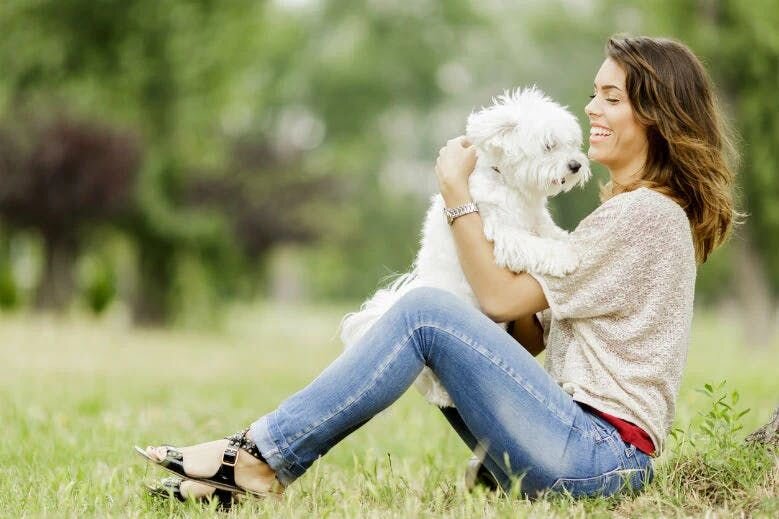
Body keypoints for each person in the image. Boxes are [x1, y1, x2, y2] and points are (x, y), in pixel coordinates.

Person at [136, 34, 739, 504]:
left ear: (658, 115)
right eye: (594, 93)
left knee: (425, 311)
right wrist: (497, 244)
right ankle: (241, 471)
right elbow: (528, 333)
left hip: (597, 455)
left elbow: (503, 303)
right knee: (435, 309)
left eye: (612, 98)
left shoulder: (644, 217)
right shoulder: (628, 217)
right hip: (573, 442)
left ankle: (258, 460)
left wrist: (458, 194)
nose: (592, 110)